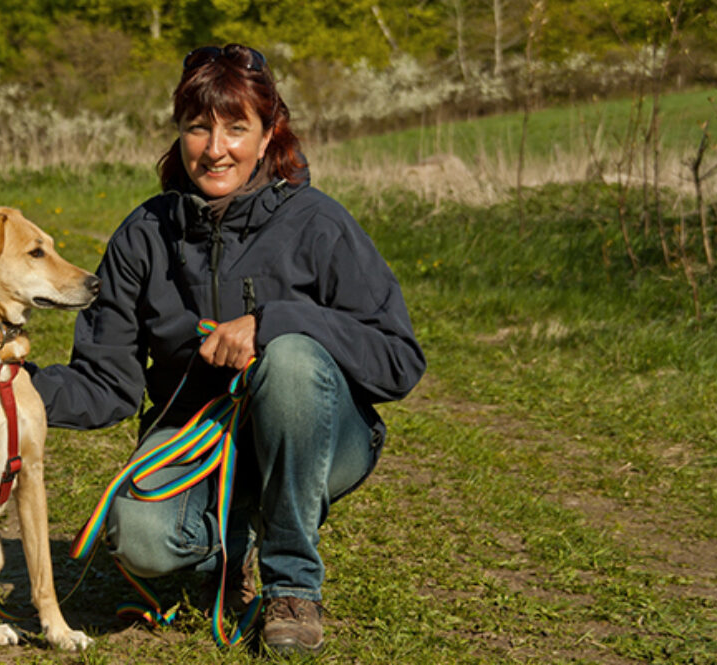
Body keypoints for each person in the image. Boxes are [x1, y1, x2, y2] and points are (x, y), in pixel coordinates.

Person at [29, 43, 425, 655]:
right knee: (137, 538)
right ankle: (228, 539)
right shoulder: (144, 235)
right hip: (199, 442)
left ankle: (292, 585)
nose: (215, 149)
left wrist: (273, 322)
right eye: (198, 127)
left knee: (290, 359)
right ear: (179, 134)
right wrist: (6, 385)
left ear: (269, 136)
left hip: (320, 437)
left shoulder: (319, 223)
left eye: (236, 128)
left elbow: (400, 360)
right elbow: (107, 385)